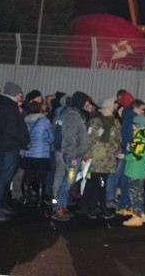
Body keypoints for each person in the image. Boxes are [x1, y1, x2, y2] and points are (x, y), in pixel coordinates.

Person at [0, 81, 30, 222]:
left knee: (2, 179)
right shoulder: (9, 107)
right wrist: (24, 140)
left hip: (6, 147)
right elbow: (12, 129)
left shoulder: (5, 106)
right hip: (9, 148)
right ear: (15, 93)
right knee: (2, 180)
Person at [51, 91, 90, 222]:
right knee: (67, 181)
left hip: (72, 154)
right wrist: (73, 156)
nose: (88, 104)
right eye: (86, 102)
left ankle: (62, 205)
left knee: (68, 181)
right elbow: (70, 138)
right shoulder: (73, 116)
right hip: (72, 156)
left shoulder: (73, 113)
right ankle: (58, 209)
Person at [80, 97, 120, 219]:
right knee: (94, 184)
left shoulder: (116, 123)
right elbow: (91, 139)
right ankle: (93, 207)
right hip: (96, 159)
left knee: (100, 185)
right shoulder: (95, 121)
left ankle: (94, 207)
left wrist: (109, 146)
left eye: (107, 108)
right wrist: (108, 145)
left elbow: (117, 141)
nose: (104, 110)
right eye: (103, 108)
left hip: (108, 161)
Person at [121, 113, 145, 227]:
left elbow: (137, 155)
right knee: (139, 192)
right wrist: (132, 148)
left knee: (134, 193)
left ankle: (137, 216)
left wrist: (124, 156)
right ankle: (141, 213)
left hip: (135, 169)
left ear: (137, 125)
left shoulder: (139, 137)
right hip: (142, 168)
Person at [20, 99, 54, 206]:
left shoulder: (25, 120)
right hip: (42, 154)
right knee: (41, 178)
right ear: (40, 109)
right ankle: (40, 201)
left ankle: (26, 198)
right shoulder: (45, 121)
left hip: (28, 153)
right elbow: (51, 137)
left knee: (27, 176)